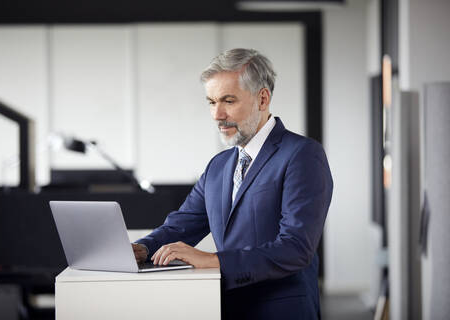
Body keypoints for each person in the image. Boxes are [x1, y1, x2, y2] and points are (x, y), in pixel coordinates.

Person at [132, 48, 333, 319]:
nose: (217, 114)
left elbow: (296, 248)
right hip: (225, 307)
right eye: (212, 102)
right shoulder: (219, 166)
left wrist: (214, 260)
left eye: (228, 100)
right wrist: (142, 248)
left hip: (281, 310)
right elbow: (182, 224)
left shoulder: (302, 155)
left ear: (263, 98)